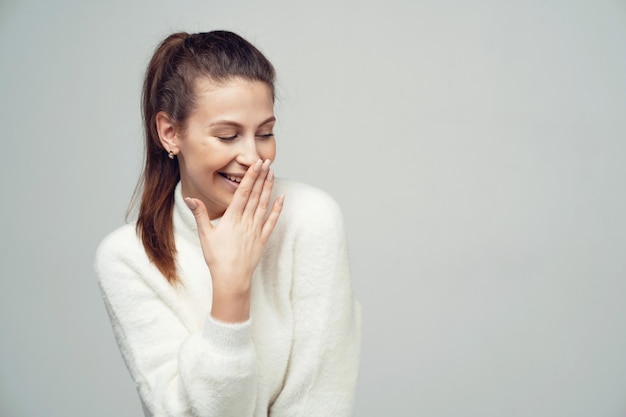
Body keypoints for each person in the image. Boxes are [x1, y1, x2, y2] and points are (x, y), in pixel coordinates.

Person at [95, 30, 361, 417]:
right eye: (227, 135)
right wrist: (231, 290)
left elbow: (322, 399)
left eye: (265, 133)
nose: (253, 156)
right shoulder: (127, 258)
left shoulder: (310, 218)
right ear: (170, 133)